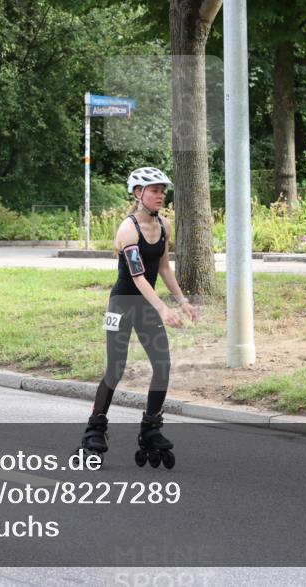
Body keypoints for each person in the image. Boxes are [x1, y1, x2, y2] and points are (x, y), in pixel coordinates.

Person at [80, 167, 199, 468]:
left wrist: (182, 301)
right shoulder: (128, 229)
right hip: (122, 304)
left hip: (146, 305)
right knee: (115, 368)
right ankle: (95, 429)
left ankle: (151, 428)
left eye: (162, 191)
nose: (161, 196)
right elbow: (137, 276)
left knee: (162, 365)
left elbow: (164, 268)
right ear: (138, 193)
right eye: (154, 190)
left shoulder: (164, 226)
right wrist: (163, 308)